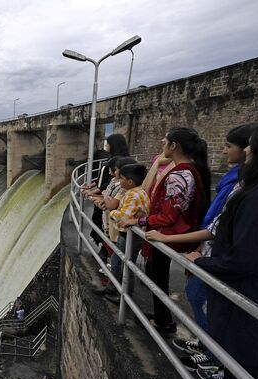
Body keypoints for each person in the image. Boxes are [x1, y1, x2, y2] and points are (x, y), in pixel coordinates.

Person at [145, 123, 256, 370]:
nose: (225, 150)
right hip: (205, 243)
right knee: (201, 297)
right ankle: (208, 345)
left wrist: (145, 222)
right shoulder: (215, 175)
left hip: (209, 248)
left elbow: (170, 215)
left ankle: (215, 355)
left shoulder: (182, 174)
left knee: (199, 296)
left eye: (228, 146)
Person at [186, 122, 258, 379]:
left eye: (250, 146)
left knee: (243, 358)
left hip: (247, 293)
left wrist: (202, 262)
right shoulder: (256, 193)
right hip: (250, 291)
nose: (246, 150)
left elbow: (244, 259)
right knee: (240, 357)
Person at [125, 127, 211, 334]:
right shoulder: (190, 170)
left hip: (166, 234)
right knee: (157, 277)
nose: (162, 145)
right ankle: (162, 317)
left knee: (158, 277)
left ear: (174, 146)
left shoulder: (179, 175)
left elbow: (168, 216)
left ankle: (163, 322)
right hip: (169, 232)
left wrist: (140, 220)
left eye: (165, 142)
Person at [93, 163, 150, 303]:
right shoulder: (135, 192)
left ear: (130, 182)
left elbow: (124, 217)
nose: (119, 181)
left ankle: (126, 297)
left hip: (131, 236)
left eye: (122, 179)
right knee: (116, 261)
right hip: (125, 234)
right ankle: (112, 287)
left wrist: (111, 212)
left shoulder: (134, 195)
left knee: (127, 266)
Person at [83, 134, 130, 262]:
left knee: (108, 230)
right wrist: (93, 188)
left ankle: (104, 254)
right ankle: (104, 252)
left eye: (108, 143)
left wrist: (95, 193)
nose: (106, 145)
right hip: (107, 201)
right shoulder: (121, 159)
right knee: (106, 229)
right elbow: (103, 180)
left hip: (109, 205)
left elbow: (108, 184)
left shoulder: (118, 163)